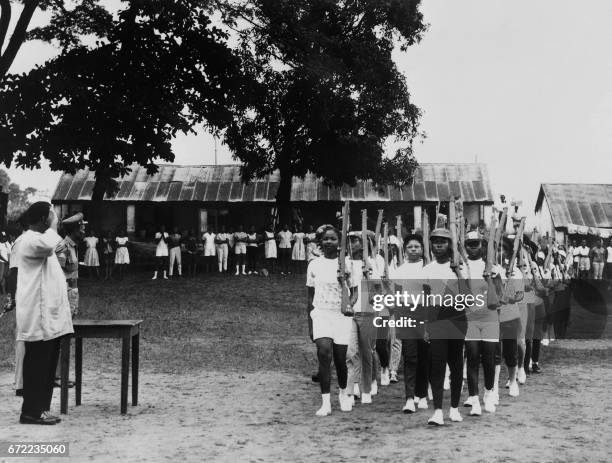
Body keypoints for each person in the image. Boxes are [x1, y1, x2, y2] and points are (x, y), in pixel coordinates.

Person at [17, 202, 73, 425]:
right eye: (50, 217)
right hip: (37, 316)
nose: (54, 220)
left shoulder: (39, 239)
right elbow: (53, 242)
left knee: (48, 366)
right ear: (42, 219)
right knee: (38, 366)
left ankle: (41, 409)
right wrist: (53, 222)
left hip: (47, 316)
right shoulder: (30, 239)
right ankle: (30, 411)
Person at [307, 225, 356, 416]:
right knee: (324, 353)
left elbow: (355, 291)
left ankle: (344, 393)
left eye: (333, 238)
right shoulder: (314, 264)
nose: (329, 242)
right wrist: (310, 324)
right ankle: (325, 402)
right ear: (320, 242)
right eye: (326, 238)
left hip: (341, 315)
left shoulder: (347, 264)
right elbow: (309, 297)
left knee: (340, 359)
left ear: (339, 242)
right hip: (321, 314)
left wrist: (349, 305)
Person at [422, 228, 468, 426]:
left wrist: (457, 271)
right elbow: (425, 299)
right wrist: (424, 325)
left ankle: (455, 408)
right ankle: (438, 411)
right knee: (437, 362)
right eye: (435, 241)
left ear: (450, 244)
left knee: (456, 363)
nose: (438, 245)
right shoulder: (427, 269)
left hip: (456, 316)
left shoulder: (460, 267)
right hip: (436, 317)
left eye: (443, 241)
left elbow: (468, 296)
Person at [390, 234, 430, 413]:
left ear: (422, 249)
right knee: (410, 356)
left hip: (424, 313)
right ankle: (409, 397)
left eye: (417, 246)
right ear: (405, 250)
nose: (413, 249)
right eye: (410, 247)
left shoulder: (428, 268)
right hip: (406, 313)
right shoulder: (399, 270)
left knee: (424, 355)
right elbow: (397, 296)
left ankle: (422, 395)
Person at [345, 230, 384, 407]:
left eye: (356, 241)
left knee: (367, 351)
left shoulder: (376, 262)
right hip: (350, 312)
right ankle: (351, 387)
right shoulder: (345, 262)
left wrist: (368, 275)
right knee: (351, 352)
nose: (352, 244)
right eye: (350, 241)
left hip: (368, 311)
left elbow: (378, 290)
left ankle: (366, 388)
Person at [463, 230, 498, 415]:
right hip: (470, 319)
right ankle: (474, 399)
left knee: (489, 360)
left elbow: (498, 297)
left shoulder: (491, 265)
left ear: (482, 245)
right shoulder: (460, 266)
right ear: (465, 246)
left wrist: (491, 277)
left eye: (476, 243)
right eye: (469, 244)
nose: (473, 247)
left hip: (490, 318)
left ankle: (489, 394)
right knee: (473, 357)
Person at [497, 236, 524, 399]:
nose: (499, 251)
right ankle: (492, 386)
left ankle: (512, 381)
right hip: (492, 316)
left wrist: (509, 298)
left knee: (510, 350)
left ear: (507, 252)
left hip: (510, 316)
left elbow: (520, 294)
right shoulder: (489, 269)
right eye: (497, 248)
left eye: (502, 248)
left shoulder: (515, 271)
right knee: (493, 352)